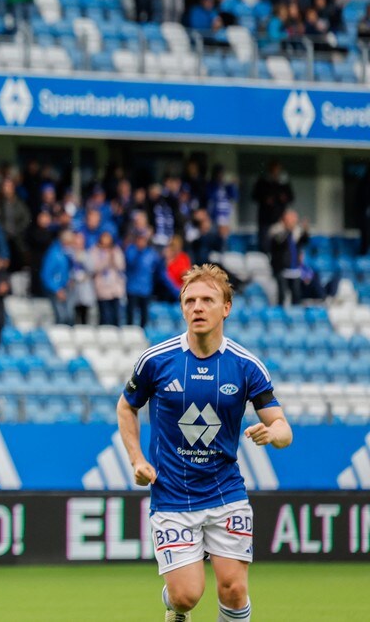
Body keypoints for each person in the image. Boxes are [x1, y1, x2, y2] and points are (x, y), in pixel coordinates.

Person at [117, 264, 292, 622]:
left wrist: (273, 434)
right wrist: (136, 458)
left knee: (233, 588)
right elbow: (125, 407)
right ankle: (174, 604)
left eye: (207, 300)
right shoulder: (156, 360)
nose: (197, 307)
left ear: (225, 307)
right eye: (190, 300)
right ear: (182, 308)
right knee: (186, 596)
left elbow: (282, 427)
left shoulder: (246, 366)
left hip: (225, 492)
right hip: (172, 494)